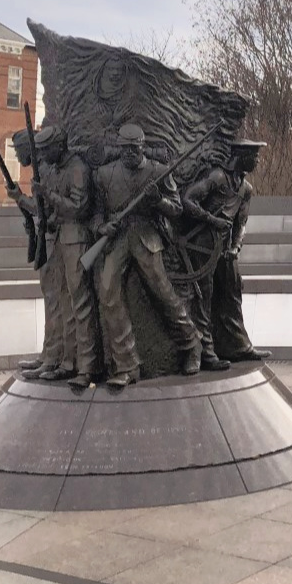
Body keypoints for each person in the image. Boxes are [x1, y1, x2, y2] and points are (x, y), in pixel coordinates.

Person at [91, 123, 201, 387]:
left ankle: (191, 344)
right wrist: (102, 227)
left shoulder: (159, 171)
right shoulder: (105, 174)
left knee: (163, 293)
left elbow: (176, 209)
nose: (129, 153)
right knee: (107, 293)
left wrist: (157, 200)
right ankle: (127, 366)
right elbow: (95, 212)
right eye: (124, 148)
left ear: (142, 146)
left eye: (134, 148)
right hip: (117, 239)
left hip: (147, 237)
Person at [182, 139, 270, 363]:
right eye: (255, 157)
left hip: (225, 248)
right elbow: (188, 200)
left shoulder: (245, 189)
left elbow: (241, 223)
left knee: (232, 294)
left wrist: (235, 247)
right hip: (202, 246)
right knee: (204, 298)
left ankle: (238, 346)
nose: (257, 161)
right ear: (241, 156)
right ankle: (206, 353)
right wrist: (211, 220)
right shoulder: (217, 178)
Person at [30, 126, 101, 389]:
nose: (42, 156)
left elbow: (79, 209)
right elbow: (51, 208)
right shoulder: (56, 168)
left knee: (80, 304)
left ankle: (87, 367)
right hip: (61, 238)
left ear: (59, 146)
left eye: (45, 150)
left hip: (78, 240)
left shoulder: (78, 168)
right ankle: (66, 361)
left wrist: (47, 194)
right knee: (64, 302)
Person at [6, 127, 76, 381]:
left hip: (57, 241)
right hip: (48, 240)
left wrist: (20, 199)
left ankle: (54, 358)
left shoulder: (46, 169)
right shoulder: (44, 168)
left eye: (20, 151)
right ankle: (48, 354)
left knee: (57, 301)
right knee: (51, 299)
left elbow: (44, 209)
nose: (17, 158)